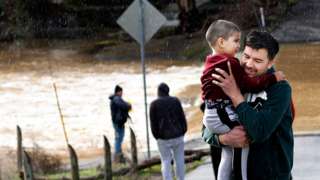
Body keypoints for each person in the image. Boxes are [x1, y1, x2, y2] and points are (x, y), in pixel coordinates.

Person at [203, 30, 294, 180]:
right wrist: (223, 139)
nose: (249, 64)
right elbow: (206, 129)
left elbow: (260, 130)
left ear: (270, 62)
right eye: (246, 56)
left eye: (258, 61)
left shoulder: (280, 89)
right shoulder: (232, 77)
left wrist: (236, 96)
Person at [149, 82, 187, 180]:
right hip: (178, 135)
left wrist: (156, 136)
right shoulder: (176, 101)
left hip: (163, 138)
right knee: (179, 160)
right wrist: (183, 131)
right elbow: (182, 117)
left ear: (158, 92)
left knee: (165, 161)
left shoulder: (154, 104)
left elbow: (153, 123)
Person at [109, 85, 131, 163]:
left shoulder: (115, 98)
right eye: (121, 92)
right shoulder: (116, 99)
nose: (122, 93)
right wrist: (128, 106)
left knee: (119, 137)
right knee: (119, 138)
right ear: (118, 92)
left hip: (117, 122)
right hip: (118, 122)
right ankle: (118, 154)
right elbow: (123, 105)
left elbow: (123, 104)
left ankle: (118, 153)